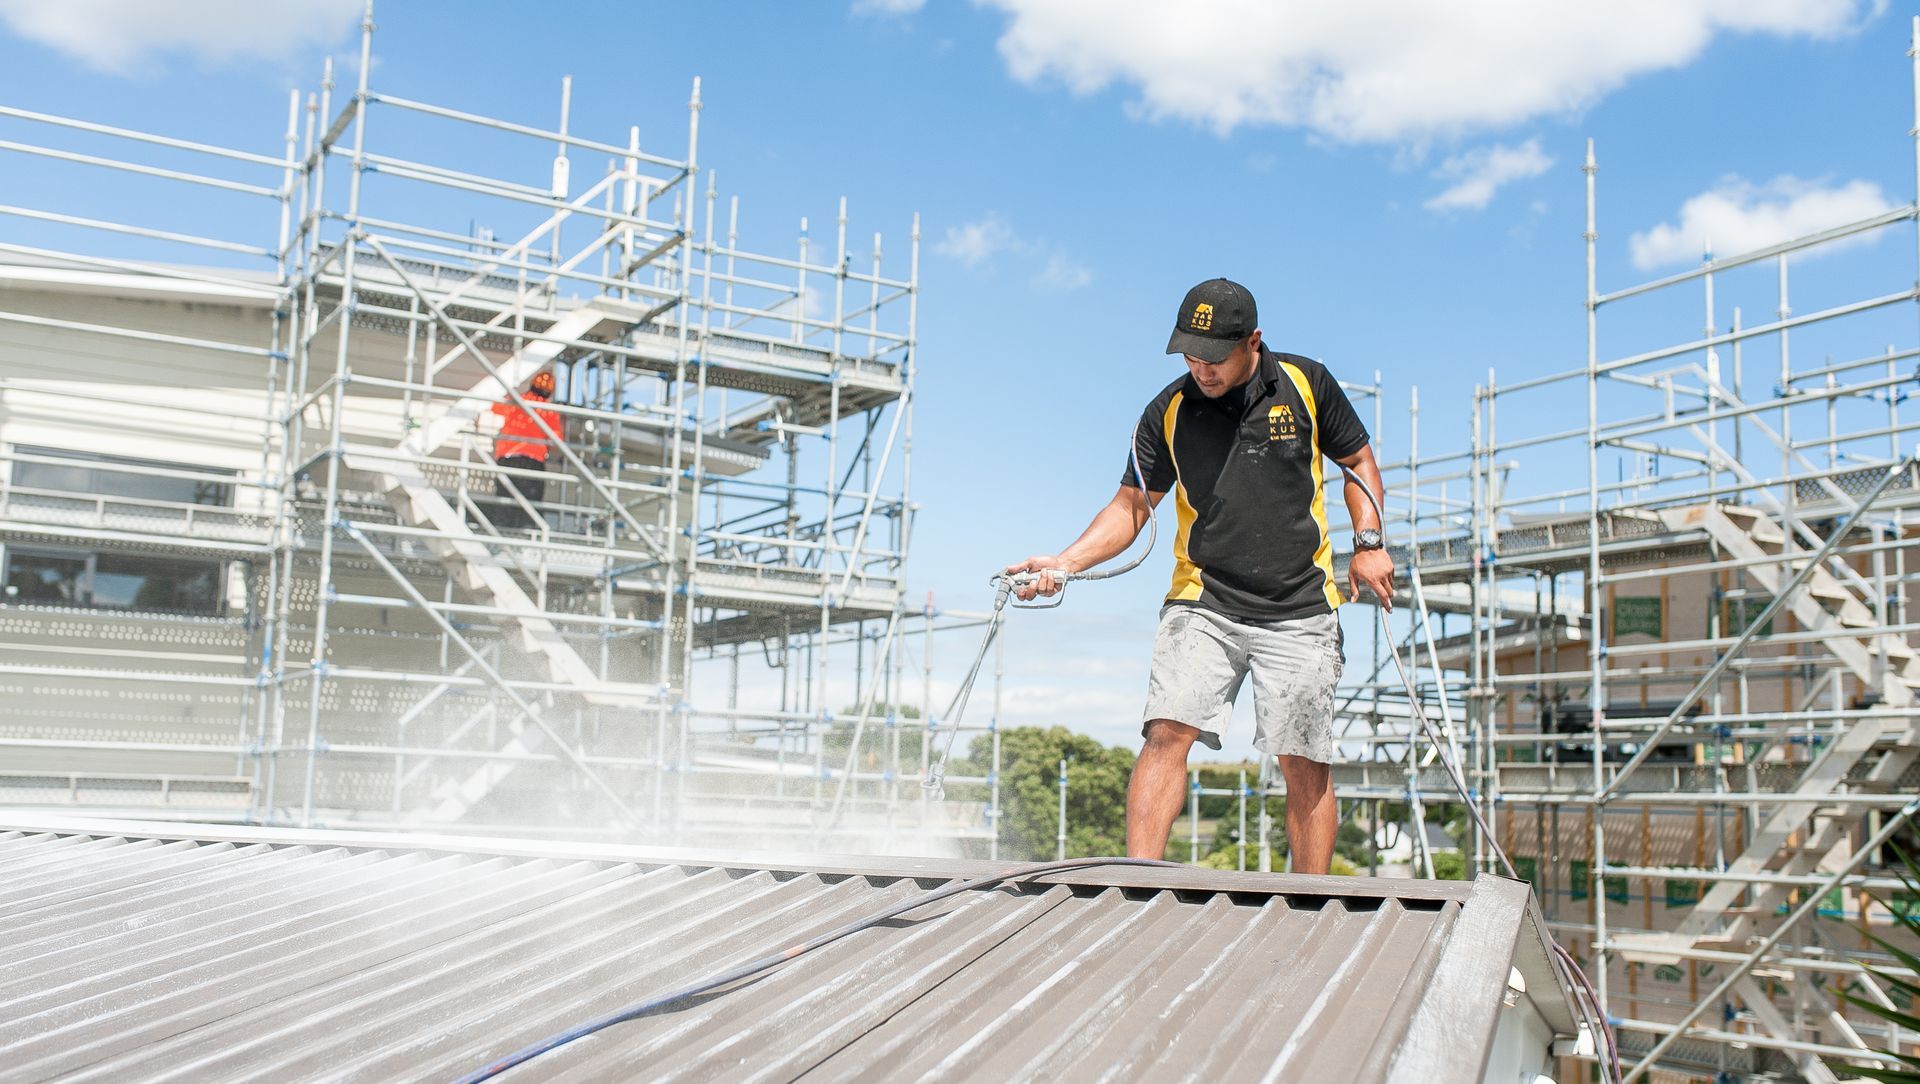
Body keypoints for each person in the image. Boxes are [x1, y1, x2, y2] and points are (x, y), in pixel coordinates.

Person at [1005, 278, 1396, 873]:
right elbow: (1132, 506)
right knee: (1167, 731)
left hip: (1301, 605)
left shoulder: (1307, 383)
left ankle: (1311, 902)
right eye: (1189, 354)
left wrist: (1368, 543)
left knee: (1303, 756)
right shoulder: (1167, 411)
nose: (1201, 368)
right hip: (1203, 598)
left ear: (1253, 342)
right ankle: (1139, 884)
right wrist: (1066, 562)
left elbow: (1357, 461)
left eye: (1213, 356)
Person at [488, 369, 564, 531]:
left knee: (505, 500)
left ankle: (501, 535)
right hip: (533, 462)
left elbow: (495, 407)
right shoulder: (549, 410)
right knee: (530, 504)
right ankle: (525, 535)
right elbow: (556, 439)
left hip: (508, 459)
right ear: (550, 391)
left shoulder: (517, 402)